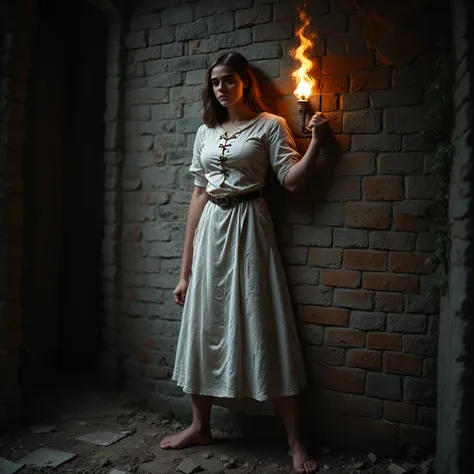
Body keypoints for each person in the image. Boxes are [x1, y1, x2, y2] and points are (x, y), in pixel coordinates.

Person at [160, 51, 328, 474]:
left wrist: (319, 144)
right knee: (203, 324)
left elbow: (290, 181)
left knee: (261, 321)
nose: (222, 87)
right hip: (211, 231)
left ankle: (295, 440)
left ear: (245, 82)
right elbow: (198, 197)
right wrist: (184, 272)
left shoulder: (271, 125)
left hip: (249, 226)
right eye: (215, 81)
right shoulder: (205, 131)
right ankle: (200, 426)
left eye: (229, 80)